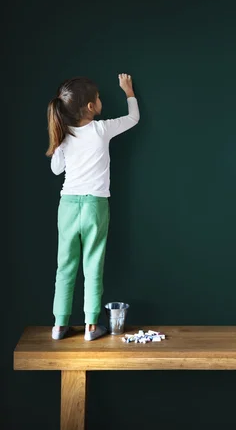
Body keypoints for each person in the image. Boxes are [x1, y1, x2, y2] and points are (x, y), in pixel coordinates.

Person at [46, 74, 139, 341]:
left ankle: (59, 325)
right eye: (97, 98)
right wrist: (128, 91)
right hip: (95, 205)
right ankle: (90, 327)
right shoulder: (101, 129)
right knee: (92, 265)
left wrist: (58, 146)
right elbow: (133, 119)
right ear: (90, 107)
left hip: (67, 205)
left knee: (64, 266)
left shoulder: (65, 135)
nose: (100, 101)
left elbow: (56, 170)